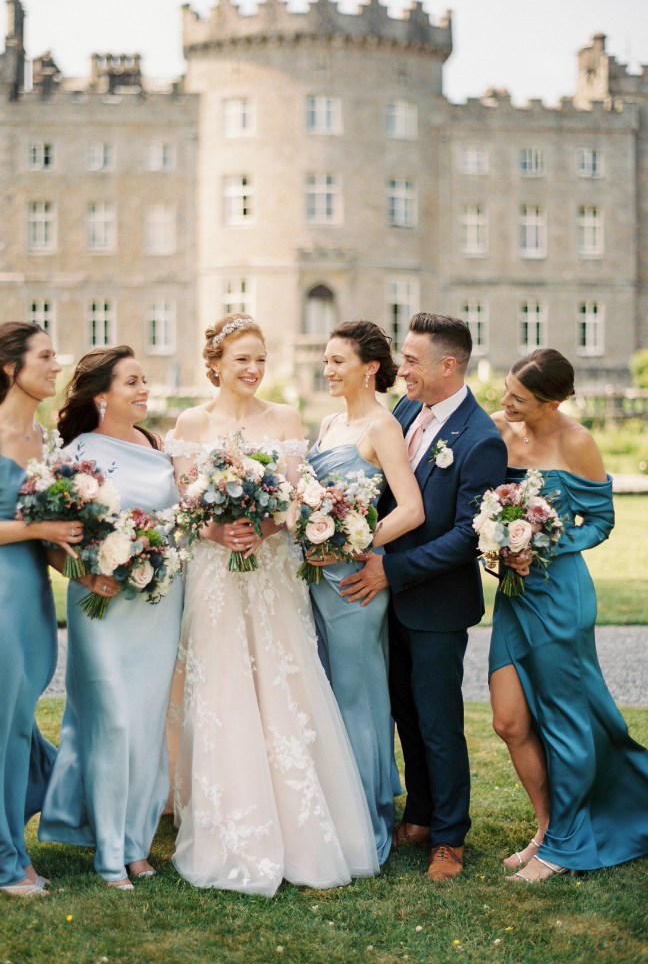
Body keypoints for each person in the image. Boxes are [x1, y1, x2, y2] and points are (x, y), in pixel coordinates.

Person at [166, 313, 379, 896]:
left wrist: (261, 527)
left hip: (273, 570)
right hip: (215, 574)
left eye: (261, 358)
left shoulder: (284, 417)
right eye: (243, 359)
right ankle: (232, 826)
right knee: (224, 688)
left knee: (286, 684)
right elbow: (185, 505)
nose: (254, 369)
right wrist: (216, 533)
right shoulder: (191, 421)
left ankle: (302, 828)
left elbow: (295, 496)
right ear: (216, 363)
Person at [489, 348, 648, 882]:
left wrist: (545, 541)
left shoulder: (578, 442)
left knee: (567, 724)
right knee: (508, 720)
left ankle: (565, 846)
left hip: (560, 595)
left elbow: (600, 520)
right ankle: (548, 829)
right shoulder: (499, 429)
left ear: (552, 401)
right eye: (505, 391)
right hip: (514, 596)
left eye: (518, 398)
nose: (505, 403)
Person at [340, 313, 507, 880]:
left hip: (435, 603)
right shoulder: (406, 411)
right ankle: (419, 813)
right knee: (404, 711)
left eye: (411, 360)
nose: (399, 368)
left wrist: (393, 569)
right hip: (389, 595)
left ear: (448, 365)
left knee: (438, 720)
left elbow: (467, 536)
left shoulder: (480, 438)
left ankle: (450, 838)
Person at [38, 346, 184, 889]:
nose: (145, 390)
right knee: (112, 722)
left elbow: (177, 518)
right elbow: (50, 536)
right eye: (133, 382)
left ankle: (136, 845)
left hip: (157, 600)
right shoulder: (77, 454)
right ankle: (107, 852)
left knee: (145, 727)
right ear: (101, 396)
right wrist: (83, 574)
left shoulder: (155, 445)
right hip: (101, 605)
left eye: (145, 381)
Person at [0, 321, 83, 897]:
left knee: (17, 726)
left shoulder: (45, 439)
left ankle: (17, 847)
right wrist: (42, 526)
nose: (57, 365)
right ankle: (0, 865)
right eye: (46, 357)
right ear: (13, 368)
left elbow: (46, 538)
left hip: (33, 594)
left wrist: (88, 568)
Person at [306, 320, 424, 865]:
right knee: (325, 693)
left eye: (337, 361)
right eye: (326, 361)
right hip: (314, 580)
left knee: (358, 696)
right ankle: (335, 805)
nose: (327, 370)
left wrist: (359, 538)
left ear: (369, 368)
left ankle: (370, 815)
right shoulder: (330, 422)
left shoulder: (381, 427)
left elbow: (410, 507)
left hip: (354, 583)